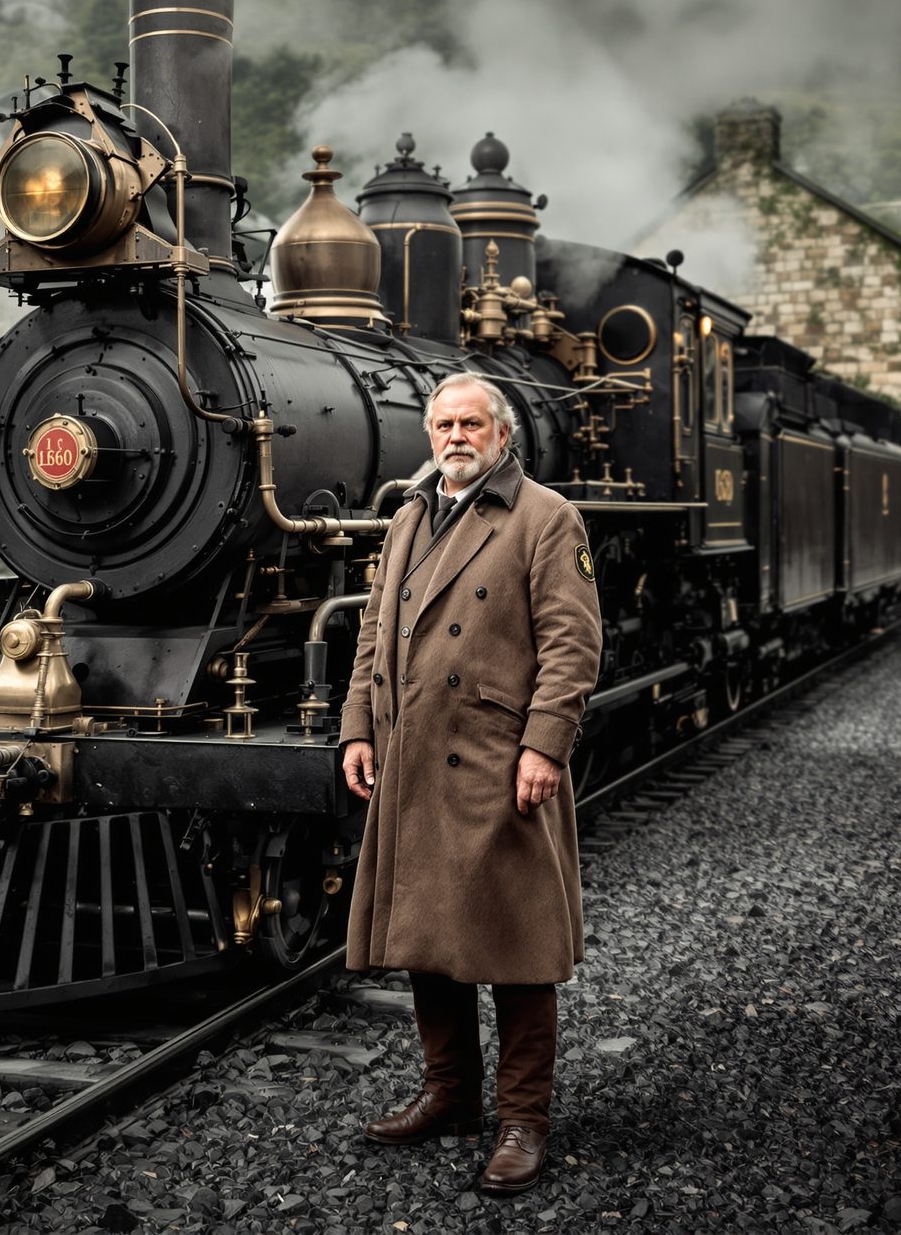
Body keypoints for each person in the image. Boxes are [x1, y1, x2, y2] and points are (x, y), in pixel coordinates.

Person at [340, 371, 602, 1195]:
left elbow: (573, 645)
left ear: (502, 433)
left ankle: (525, 1120)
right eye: (443, 424)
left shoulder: (545, 517)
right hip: (414, 754)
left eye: (470, 424)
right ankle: (449, 1094)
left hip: (497, 758)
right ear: (429, 435)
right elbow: (372, 630)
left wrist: (545, 746)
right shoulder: (411, 514)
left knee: (518, 949)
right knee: (428, 938)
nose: (455, 436)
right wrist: (356, 726)